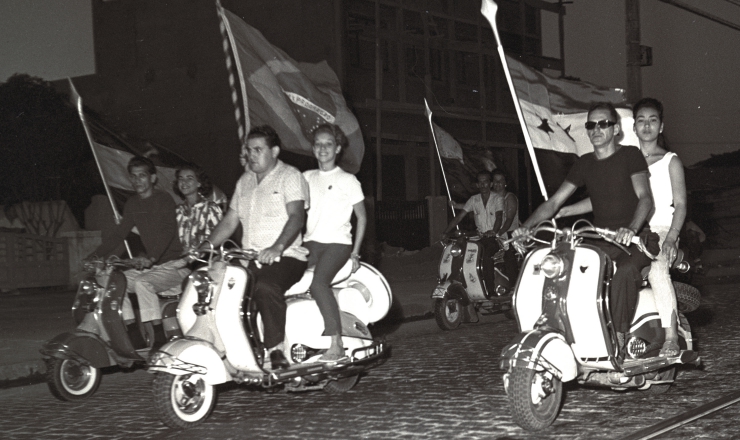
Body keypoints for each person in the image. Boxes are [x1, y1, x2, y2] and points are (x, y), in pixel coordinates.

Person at [515, 102, 658, 347]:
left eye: (604, 124)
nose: (596, 129)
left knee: (624, 271)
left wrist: (631, 229)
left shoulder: (630, 155)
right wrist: (526, 227)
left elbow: (645, 198)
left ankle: (619, 338)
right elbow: (554, 202)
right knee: (566, 267)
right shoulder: (584, 163)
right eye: (591, 125)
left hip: (636, 238)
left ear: (616, 130)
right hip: (600, 238)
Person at [205, 125, 309, 370]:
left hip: (287, 257)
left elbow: (296, 217)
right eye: (249, 150)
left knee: (265, 286)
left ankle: (276, 350)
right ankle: (228, 349)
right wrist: (205, 246)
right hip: (249, 259)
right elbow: (230, 220)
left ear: (274, 151)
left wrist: (277, 247)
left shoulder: (290, 176)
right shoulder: (245, 181)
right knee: (217, 288)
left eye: (258, 150)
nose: (251, 155)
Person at [88, 156, 190, 352]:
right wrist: (95, 255)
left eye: (142, 176)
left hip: (174, 267)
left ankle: (159, 337)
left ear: (152, 178)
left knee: (144, 284)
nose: (137, 181)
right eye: (133, 177)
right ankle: (134, 333)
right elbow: (119, 233)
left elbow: (167, 233)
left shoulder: (163, 199)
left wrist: (151, 257)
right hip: (153, 266)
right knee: (118, 281)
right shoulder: (132, 203)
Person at [302, 124, 367, 363]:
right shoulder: (306, 177)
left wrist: (356, 252)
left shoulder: (348, 180)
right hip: (311, 243)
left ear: (337, 148)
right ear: (313, 148)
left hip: (338, 244)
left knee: (319, 284)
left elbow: (361, 217)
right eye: (318, 144)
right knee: (283, 279)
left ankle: (336, 342)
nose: (323, 148)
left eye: (328, 144)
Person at [633, 97, 686, 356]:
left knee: (656, 269)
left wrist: (672, 238)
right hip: (633, 230)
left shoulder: (670, 161)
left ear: (661, 127)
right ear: (633, 127)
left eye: (652, 120)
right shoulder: (627, 162)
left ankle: (671, 337)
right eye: (641, 120)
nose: (647, 125)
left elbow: (681, 205)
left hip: (662, 228)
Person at [442, 170, 504, 292]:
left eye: (485, 182)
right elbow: (459, 217)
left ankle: (490, 291)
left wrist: (493, 231)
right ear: (477, 185)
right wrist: (446, 232)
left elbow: (499, 217)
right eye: (480, 183)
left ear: (490, 184)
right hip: (480, 238)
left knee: (486, 256)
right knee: (463, 253)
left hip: (495, 238)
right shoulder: (474, 200)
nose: (483, 185)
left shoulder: (497, 199)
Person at [173, 163, 223, 252]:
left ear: (199, 183)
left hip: (203, 261)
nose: (184, 182)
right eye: (181, 178)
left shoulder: (211, 209)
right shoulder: (177, 211)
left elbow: (219, 240)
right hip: (180, 261)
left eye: (189, 178)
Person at [491, 169, 520, 280]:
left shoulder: (510, 197)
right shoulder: (490, 197)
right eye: (495, 181)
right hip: (494, 232)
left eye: (501, 181)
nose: (498, 184)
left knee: (508, 257)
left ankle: (513, 283)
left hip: (508, 233)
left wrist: (499, 233)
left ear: (505, 183)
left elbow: (509, 219)